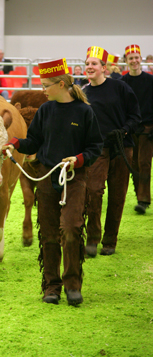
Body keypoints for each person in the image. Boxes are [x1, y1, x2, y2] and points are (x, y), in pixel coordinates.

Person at [2, 58, 103, 306]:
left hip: (74, 178)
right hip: (47, 179)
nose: (43, 90)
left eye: (46, 85)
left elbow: (95, 147)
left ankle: (72, 285)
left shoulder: (84, 111)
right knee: (48, 234)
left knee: (71, 229)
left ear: (60, 84)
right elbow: (34, 142)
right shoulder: (45, 111)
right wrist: (15, 143)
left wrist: (78, 160)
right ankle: (51, 286)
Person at [83, 46, 141, 257]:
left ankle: (110, 240)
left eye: (94, 64)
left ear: (104, 68)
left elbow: (135, 116)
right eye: (87, 63)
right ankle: (92, 239)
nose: (90, 67)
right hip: (97, 149)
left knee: (117, 196)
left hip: (122, 147)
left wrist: (125, 130)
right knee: (94, 192)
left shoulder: (121, 88)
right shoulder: (83, 93)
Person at [121, 44, 153, 214]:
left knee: (144, 163)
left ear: (140, 59)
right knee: (132, 164)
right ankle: (140, 194)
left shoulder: (151, 80)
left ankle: (143, 199)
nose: (134, 61)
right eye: (130, 58)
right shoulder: (121, 83)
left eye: (136, 57)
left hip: (147, 127)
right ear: (126, 61)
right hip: (129, 128)